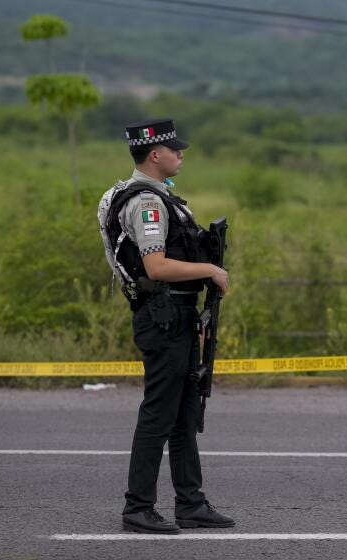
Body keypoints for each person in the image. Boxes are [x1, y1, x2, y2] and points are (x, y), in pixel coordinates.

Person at [109, 118, 233, 534]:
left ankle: (191, 503)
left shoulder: (156, 197)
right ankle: (137, 507)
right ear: (154, 154)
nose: (181, 154)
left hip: (176, 315)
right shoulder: (147, 202)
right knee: (159, 414)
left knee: (183, 414)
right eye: (174, 149)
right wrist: (211, 270)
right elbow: (156, 266)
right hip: (162, 318)